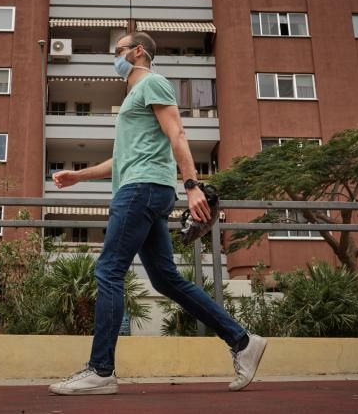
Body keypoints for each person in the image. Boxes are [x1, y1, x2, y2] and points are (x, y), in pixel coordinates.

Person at [48, 32, 267, 396]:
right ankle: (242, 341)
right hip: (143, 187)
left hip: (141, 190)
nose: (113, 58)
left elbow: (177, 132)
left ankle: (101, 370)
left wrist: (193, 184)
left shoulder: (152, 82)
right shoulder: (134, 96)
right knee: (166, 279)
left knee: (108, 270)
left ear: (137, 52)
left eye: (116, 51)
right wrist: (78, 175)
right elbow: (124, 159)